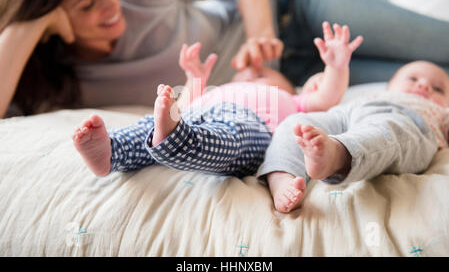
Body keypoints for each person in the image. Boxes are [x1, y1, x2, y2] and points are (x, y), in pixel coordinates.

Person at [2, 0, 449, 119]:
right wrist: (27, 25)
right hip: (300, 79)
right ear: (49, 25)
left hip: (297, 12)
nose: (111, 2)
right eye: (86, 5)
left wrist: (260, 35)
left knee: (441, 48)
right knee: (431, 87)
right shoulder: (63, 85)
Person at [72, 23, 363, 177]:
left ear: (291, 89)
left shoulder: (292, 101)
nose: (253, 75)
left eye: (263, 76)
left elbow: (327, 97)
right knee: (151, 124)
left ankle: (177, 139)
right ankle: (112, 151)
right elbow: (186, 106)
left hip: (253, 127)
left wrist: (336, 66)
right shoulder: (216, 90)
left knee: (230, 139)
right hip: (196, 116)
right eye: (246, 76)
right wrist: (195, 80)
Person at [259, 60, 449, 213]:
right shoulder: (371, 93)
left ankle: (336, 154)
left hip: (407, 120)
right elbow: (328, 97)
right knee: (298, 123)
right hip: (349, 113)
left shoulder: (441, 113)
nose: (424, 85)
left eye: (438, 89)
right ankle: (283, 176)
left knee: (384, 134)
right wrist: (317, 84)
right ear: (390, 85)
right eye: (413, 78)